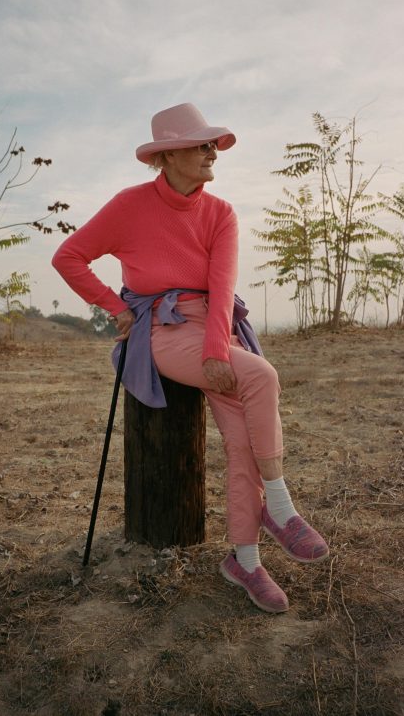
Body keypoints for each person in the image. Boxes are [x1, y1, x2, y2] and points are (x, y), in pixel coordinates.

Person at [52, 102, 328, 614]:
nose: (211, 153)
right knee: (261, 375)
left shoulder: (221, 213)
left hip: (215, 328)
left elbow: (222, 287)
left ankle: (245, 561)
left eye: (211, 144)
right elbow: (68, 256)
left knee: (242, 440)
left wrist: (217, 348)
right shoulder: (128, 206)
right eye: (200, 145)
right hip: (161, 330)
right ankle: (281, 506)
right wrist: (116, 307)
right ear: (169, 155)